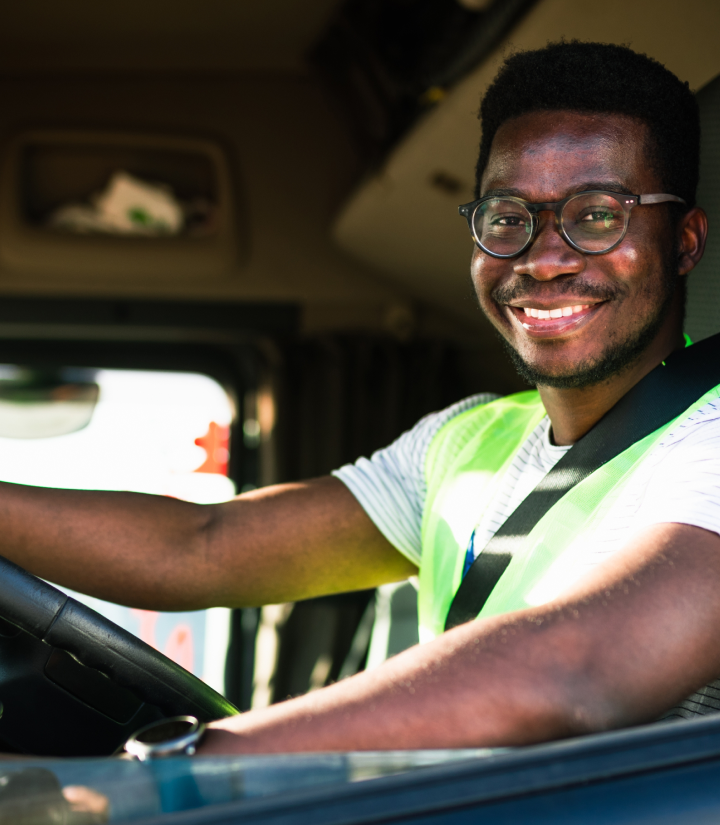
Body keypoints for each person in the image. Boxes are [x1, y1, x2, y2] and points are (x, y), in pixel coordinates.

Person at [1, 40, 717, 755]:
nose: (543, 257)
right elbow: (202, 545)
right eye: (507, 217)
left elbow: (576, 671)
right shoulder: (463, 443)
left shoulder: (708, 441)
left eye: (597, 216)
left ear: (684, 241)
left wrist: (196, 766)